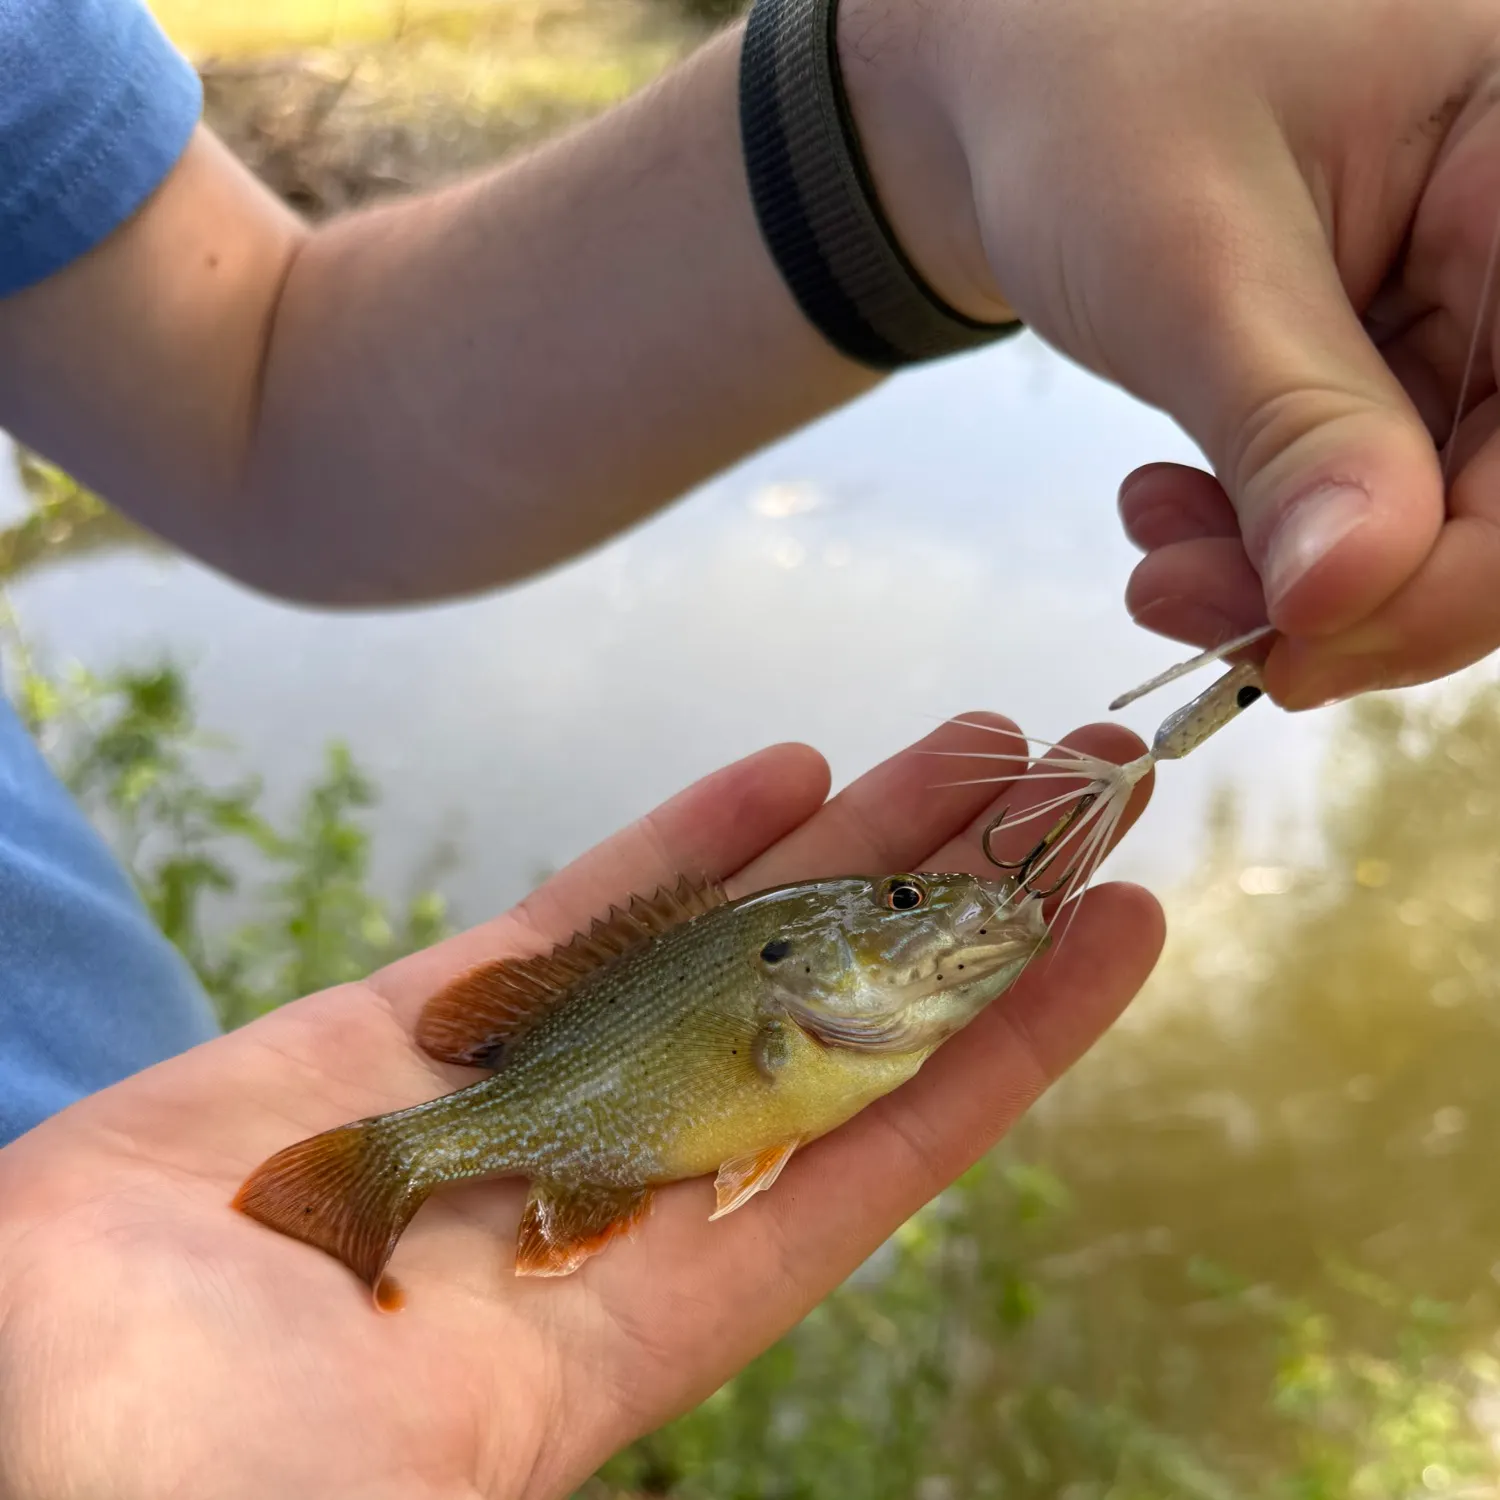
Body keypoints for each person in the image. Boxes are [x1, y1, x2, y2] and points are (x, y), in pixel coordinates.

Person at [0, 0, 1498, 1492]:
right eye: (903, 907)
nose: (935, 912)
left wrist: (937, 76)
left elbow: (262, 372)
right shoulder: (779, 1024)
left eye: (907, 908)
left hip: (144, 1209)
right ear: (788, 984)